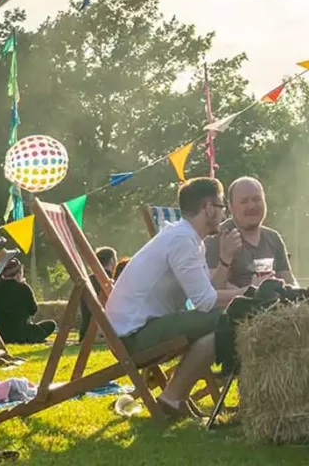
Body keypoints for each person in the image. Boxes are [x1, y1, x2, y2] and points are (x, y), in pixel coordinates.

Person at [105, 177, 245, 419]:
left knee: (222, 323)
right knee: (230, 318)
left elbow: (206, 292)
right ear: (209, 208)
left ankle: (174, 396)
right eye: (221, 207)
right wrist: (248, 294)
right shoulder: (183, 241)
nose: (223, 215)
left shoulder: (186, 237)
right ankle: (173, 396)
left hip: (136, 328)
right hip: (134, 336)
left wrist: (224, 260)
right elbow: (205, 302)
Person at [205, 177, 295, 291]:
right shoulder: (216, 237)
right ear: (231, 207)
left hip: (273, 305)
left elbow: (289, 280)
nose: (252, 206)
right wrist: (253, 293)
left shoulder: (273, 237)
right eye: (244, 201)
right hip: (234, 307)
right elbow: (212, 287)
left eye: (257, 199)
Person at [0, 258, 56, 344]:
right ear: (19, 273)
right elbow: (33, 310)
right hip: (21, 334)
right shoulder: (24, 288)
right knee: (51, 324)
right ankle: (31, 338)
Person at [80, 246, 118, 340]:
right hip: (103, 332)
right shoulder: (113, 281)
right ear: (112, 260)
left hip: (85, 332)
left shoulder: (87, 281)